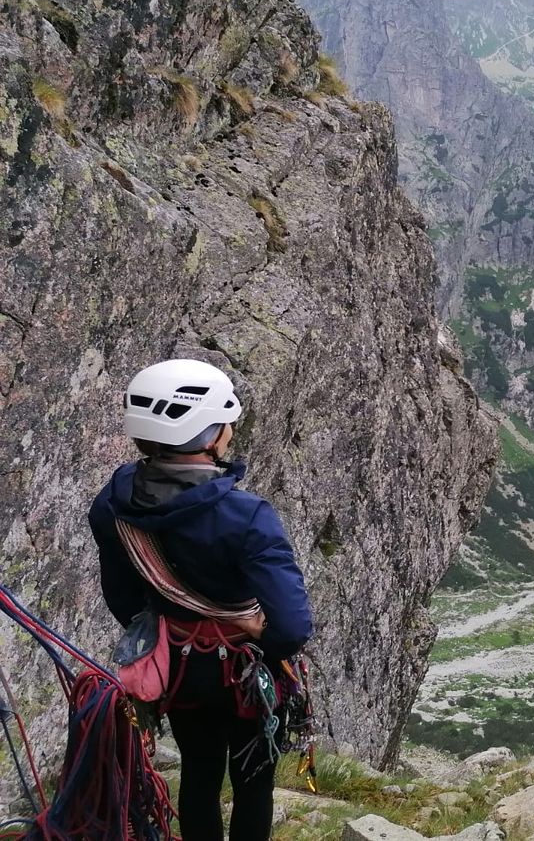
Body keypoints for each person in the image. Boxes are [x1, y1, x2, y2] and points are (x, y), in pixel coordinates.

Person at [88, 358, 314, 841]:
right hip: (247, 670)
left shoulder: (113, 507)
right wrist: (261, 636)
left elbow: (124, 600)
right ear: (209, 434)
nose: (230, 430)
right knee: (254, 784)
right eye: (225, 422)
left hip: (179, 668)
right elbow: (292, 627)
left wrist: (172, 625)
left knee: (199, 772)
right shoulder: (246, 515)